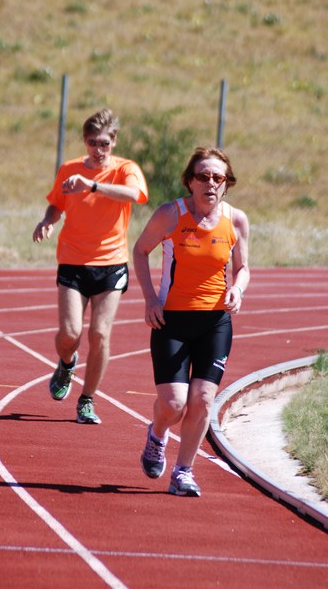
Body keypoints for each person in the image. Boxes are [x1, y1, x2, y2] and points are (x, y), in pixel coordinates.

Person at [133, 146, 250, 496]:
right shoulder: (171, 214)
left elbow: (243, 268)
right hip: (172, 321)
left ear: (227, 184)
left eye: (218, 177)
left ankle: (183, 471)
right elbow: (140, 251)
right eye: (203, 176)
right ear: (189, 181)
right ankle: (157, 434)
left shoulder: (236, 220)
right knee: (173, 404)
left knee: (202, 401)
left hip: (215, 323)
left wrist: (239, 290)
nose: (210, 183)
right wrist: (150, 298)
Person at [33, 108, 148, 424]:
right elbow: (57, 202)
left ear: (114, 142)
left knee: (99, 333)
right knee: (69, 333)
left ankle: (86, 401)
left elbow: (136, 195)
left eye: (105, 144)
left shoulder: (125, 169)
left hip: (111, 262)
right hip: (73, 259)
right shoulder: (69, 169)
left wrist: (92, 185)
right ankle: (66, 363)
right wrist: (47, 220)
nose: (99, 150)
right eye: (93, 143)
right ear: (85, 142)